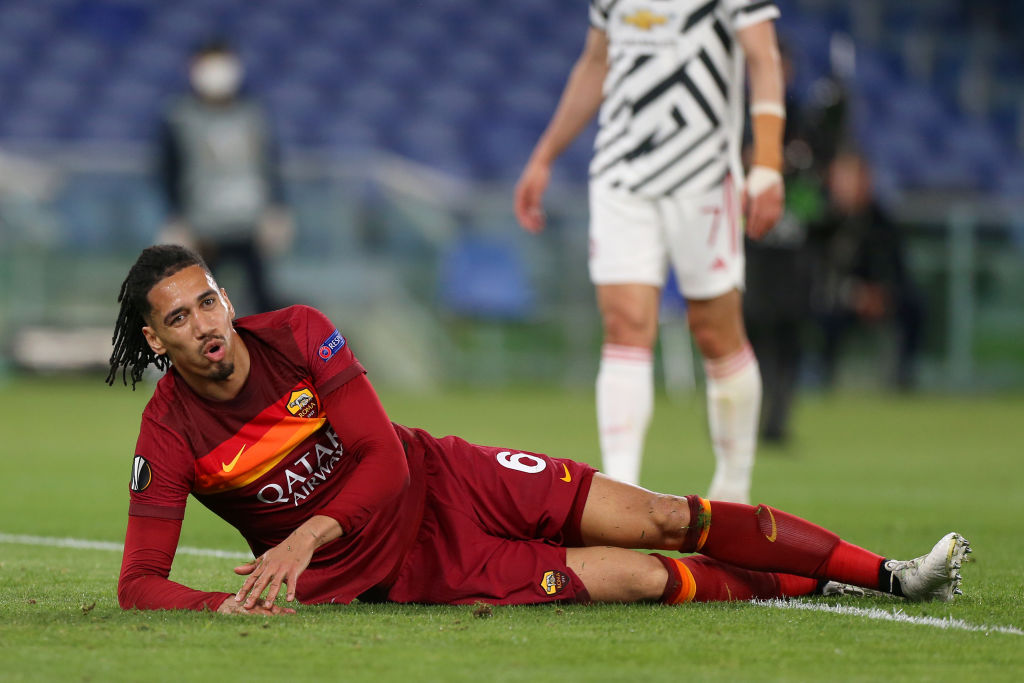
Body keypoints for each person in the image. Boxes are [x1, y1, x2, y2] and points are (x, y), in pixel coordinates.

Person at [108, 245, 968, 614]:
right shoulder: (170, 436)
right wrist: (226, 604)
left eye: (209, 298)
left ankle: (889, 573)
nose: (206, 323)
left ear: (225, 294)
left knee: (662, 515)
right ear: (158, 341)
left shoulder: (297, 331)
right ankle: (816, 585)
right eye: (180, 318)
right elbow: (139, 582)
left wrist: (305, 534)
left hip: (442, 473)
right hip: (412, 568)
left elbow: (383, 462)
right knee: (636, 576)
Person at [514, 0, 788, 501]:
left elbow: (763, 57)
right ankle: (623, 493)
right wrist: (544, 155)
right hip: (622, 176)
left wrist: (767, 161)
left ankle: (733, 487)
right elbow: (596, 62)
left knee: (713, 329)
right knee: (624, 325)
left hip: (703, 177)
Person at [156, 38, 293, 314]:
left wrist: (277, 208)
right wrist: (177, 218)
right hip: (203, 230)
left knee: (262, 300)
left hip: (250, 225)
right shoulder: (179, 117)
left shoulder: (253, 113)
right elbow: (169, 170)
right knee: (202, 303)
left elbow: (269, 163)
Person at [808, 151, 925, 390]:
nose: (849, 186)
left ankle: (904, 376)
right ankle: (823, 377)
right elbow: (816, 272)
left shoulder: (883, 221)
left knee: (915, 306)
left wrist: (882, 293)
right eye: (843, 179)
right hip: (839, 298)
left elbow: (897, 268)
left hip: (881, 296)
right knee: (824, 313)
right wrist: (854, 294)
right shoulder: (823, 222)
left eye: (855, 178)